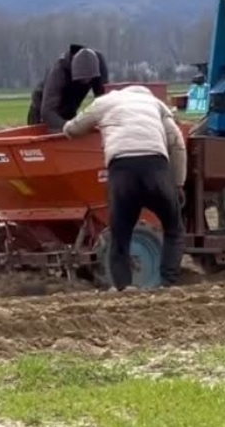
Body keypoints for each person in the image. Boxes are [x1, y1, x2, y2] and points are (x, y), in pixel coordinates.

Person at [62, 85, 187, 291]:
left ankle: (123, 288)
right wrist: (179, 184)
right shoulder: (156, 104)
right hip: (156, 168)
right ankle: (167, 284)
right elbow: (177, 143)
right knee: (174, 228)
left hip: (121, 171)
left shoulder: (104, 102)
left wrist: (72, 126)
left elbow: (72, 130)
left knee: (120, 236)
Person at [27, 44, 110, 132]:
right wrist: (71, 128)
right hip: (43, 108)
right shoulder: (59, 71)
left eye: (89, 79)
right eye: (82, 80)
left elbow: (103, 101)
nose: (86, 81)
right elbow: (47, 112)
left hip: (70, 107)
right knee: (48, 135)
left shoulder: (98, 64)